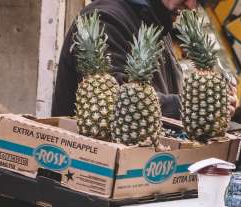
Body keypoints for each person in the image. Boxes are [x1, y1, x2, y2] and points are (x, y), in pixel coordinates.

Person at [51, 0, 198, 120]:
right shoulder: (105, 18)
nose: (191, 5)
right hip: (90, 154)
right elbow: (117, 102)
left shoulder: (157, 23)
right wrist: (196, 105)